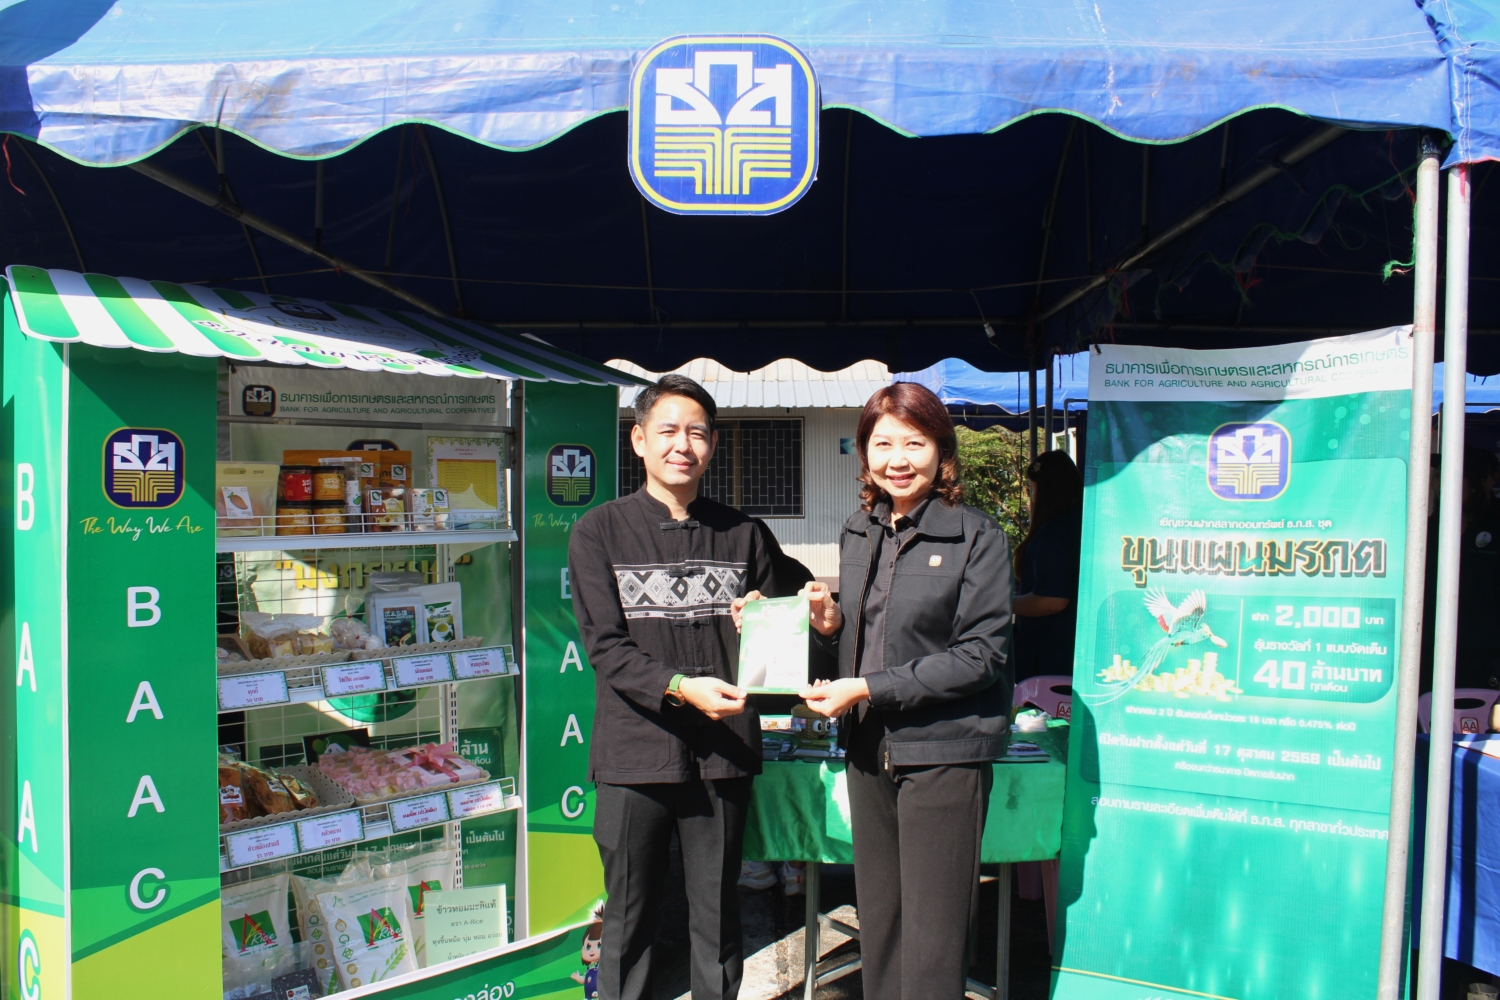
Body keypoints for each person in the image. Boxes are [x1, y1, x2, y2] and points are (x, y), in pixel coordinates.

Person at [777, 382, 1013, 1000]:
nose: (898, 460)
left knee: (934, 936)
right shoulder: (859, 531)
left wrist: (866, 686)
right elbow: (862, 640)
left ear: (942, 452)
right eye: (883, 444)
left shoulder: (977, 536)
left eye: (915, 443)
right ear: (864, 454)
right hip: (869, 747)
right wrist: (829, 629)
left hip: (945, 751)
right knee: (881, 924)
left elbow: (982, 656)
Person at [569, 373, 792, 1000]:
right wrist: (679, 686)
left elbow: (788, 627)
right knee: (629, 917)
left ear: (712, 445)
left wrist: (771, 618)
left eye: (697, 433)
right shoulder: (599, 531)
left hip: (722, 754)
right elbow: (606, 647)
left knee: (717, 919)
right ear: (639, 440)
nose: (682, 445)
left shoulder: (745, 533)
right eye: (667, 430)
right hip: (634, 753)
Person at [1011, 451, 1084, 685]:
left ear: (1046, 492)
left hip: (1050, 656)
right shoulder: (1081, 523)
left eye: (1033, 490)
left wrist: (1000, 604)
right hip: (1068, 651)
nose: (1032, 498)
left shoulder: (1054, 533)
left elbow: (1052, 599)